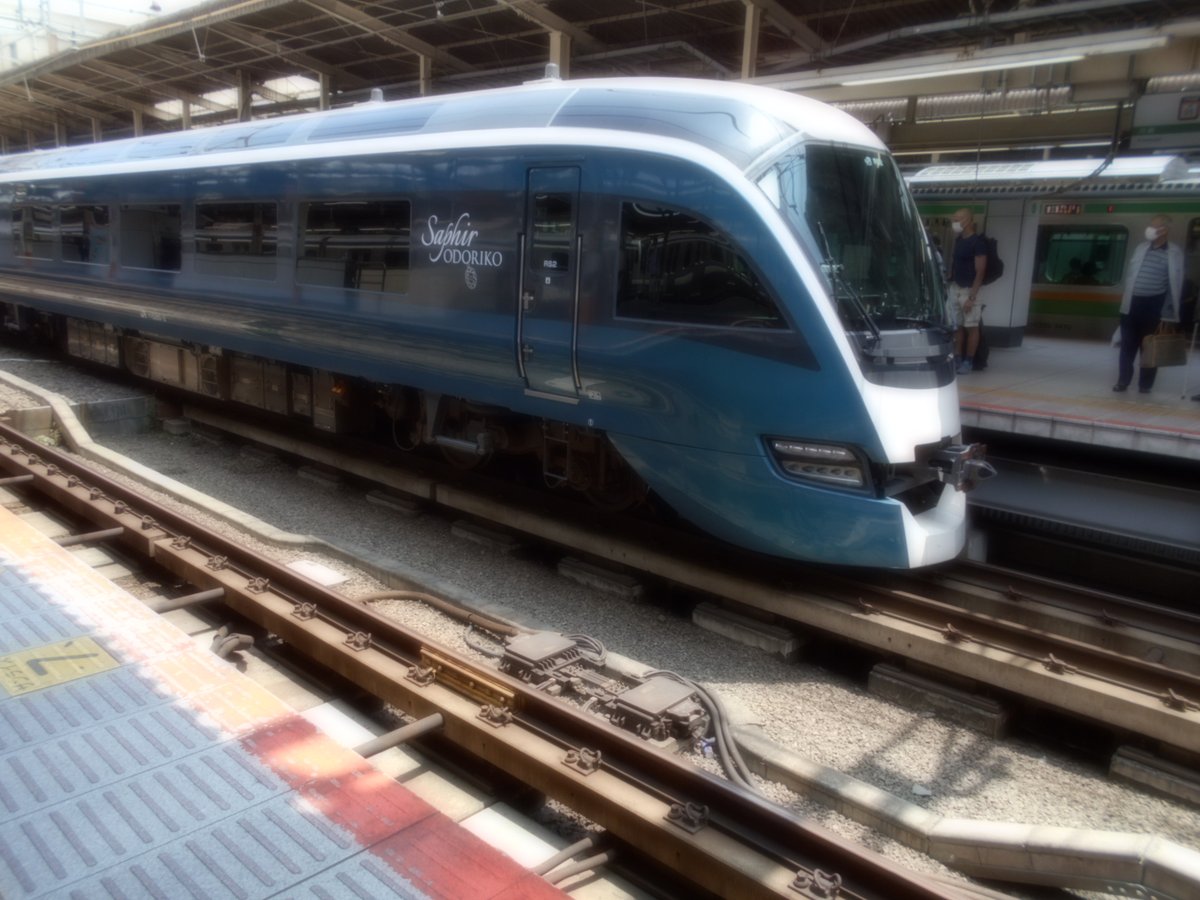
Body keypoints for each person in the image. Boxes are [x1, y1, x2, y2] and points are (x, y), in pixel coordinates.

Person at [1113, 214, 1183, 394]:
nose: (1149, 229)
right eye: (1150, 225)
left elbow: (1175, 284)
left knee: (1151, 348)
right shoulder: (1141, 248)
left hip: (1154, 307)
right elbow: (1131, 276)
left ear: (1164, 230)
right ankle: (1123, 381)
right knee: (1127, 346)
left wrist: (1167, 314)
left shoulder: (1174, 253)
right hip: (1132, 305)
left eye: (1154, 226)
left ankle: (1145, 385)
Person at [947, 208, 987, 374]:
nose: (955, 222)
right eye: (954, 219)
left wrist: (972, 297)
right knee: (957, 326)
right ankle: (957, 357)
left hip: (969, 290)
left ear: (969, 220)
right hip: (955, 288)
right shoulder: (959, 240)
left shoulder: (978, 242)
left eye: (958, 219)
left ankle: (969, 361)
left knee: (972, 327)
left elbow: (980, 271)